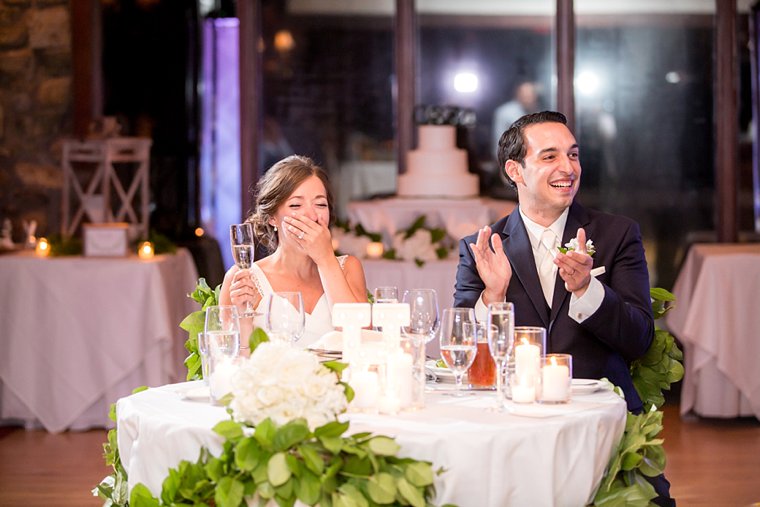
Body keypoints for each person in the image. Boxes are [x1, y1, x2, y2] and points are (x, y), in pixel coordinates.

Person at [454, 111, 673, 505]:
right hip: (512, 427)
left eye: (573, 155)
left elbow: (640, 339)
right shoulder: (483, 247)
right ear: (515, 170)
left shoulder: (617, 234)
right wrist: (493, 297)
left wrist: (588, 290)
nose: (568, 168)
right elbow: (461, 352)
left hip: (605, 425)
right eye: (550, 156)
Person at [220, 155, 368, 349]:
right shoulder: (243, 279)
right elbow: (231, 365)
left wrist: (325, 259)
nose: (312, 216)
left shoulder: (348, 267)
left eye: (321, 204)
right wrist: (242, 317)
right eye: (296, 205)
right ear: (272, 217)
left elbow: (361, 340)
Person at [491, 80, 540, 155]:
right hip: (511, 157)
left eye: (531, 95)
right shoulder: (504, 112)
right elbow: (499, 142)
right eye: (525, 95)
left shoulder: (539, 113)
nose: (528, 99)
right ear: (518, 94)